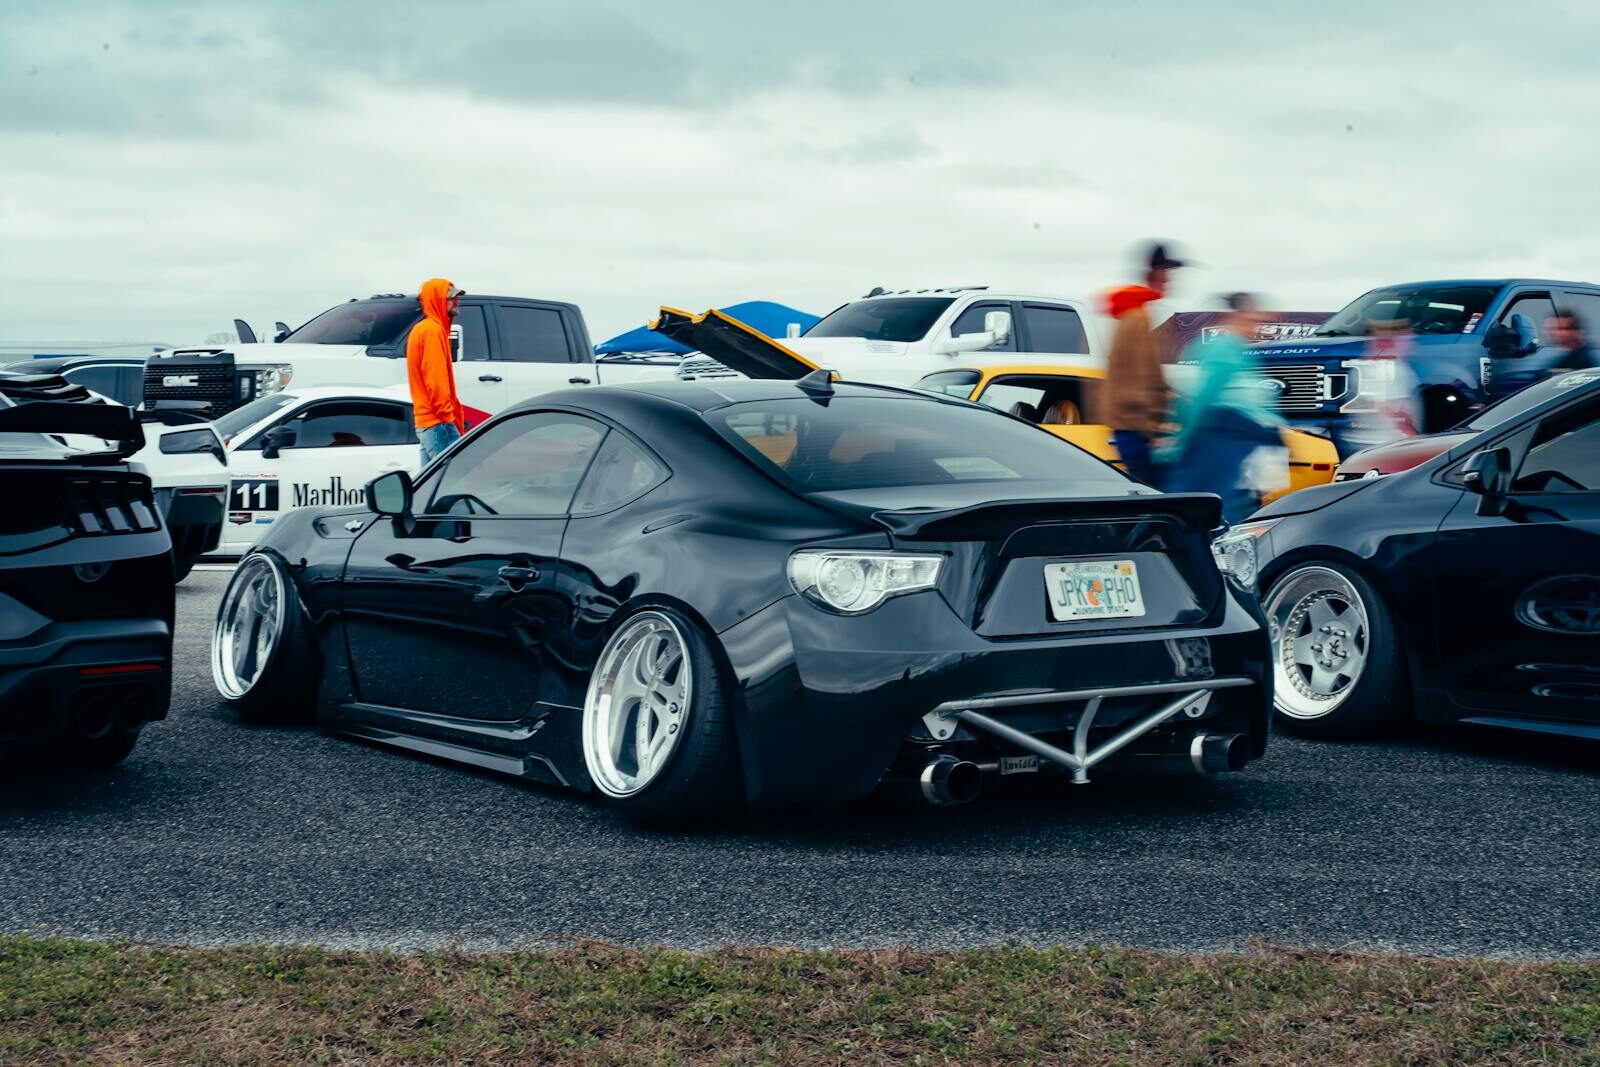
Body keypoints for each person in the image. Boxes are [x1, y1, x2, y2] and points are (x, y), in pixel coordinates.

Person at [1165, 293, 1285, 524]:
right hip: (1224, 433)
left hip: (1237, 435)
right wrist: (1182, 437)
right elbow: (1202, 396)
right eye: (1253, 321)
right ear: (1236, 317)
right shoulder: (1224, 350)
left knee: (1229, 499)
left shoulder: (1235, 350)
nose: (1256, 329)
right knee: (1221, 501)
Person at [1102, 242, 1186, 486]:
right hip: (1138, 430)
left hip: (1129, 427)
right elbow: (1141, 379)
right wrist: (1154, 429)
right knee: (1156, 502)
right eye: (1169, 274)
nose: (1171, 281)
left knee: (1148, 499)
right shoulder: (1138, 317)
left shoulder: (1131, 315)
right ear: (1157, 274)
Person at [409, 278, 466, 466]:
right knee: (455, 478)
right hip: (438, 422)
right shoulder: (433, 331)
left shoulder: (422, 329)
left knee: (428, 486)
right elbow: (435, 381)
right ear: (436, 300)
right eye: (451, 298)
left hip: (427, 422)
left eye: (457, 297)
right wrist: (448, 418)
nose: (457, 301)